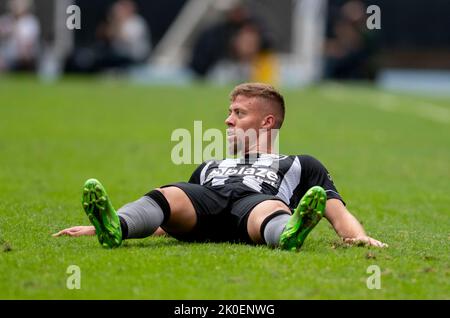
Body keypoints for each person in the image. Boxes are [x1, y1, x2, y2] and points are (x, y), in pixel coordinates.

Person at [54, 83, 387, 250]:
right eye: (229, 112)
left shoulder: (300, 163)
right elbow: (168, 220)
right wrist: (106, 227)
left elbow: (336, 212)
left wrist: (358, 238)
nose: (228, 120)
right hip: (207, 208)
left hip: (253, 207)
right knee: (171, 193)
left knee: (270, 206)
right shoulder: (209, 166)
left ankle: (287, 234)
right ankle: (118, 225)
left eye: (239, 114)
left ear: (267, 122)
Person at [0, 0, 40, 72]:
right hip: (7, 58)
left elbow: (29, 43)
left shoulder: (30, 21)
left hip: (24, 60)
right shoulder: (5, 20)